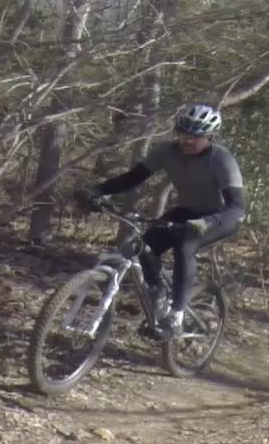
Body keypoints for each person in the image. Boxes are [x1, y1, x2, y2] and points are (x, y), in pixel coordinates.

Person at [80, 104, 244, 339]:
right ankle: (158, 294)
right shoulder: (167, 151)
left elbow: (237, 207)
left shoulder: (221, 159)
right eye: (184, 134)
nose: (188, 140)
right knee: (144, 248)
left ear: (209, 136)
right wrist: (97, 190)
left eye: (195, 136)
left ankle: (176, 317)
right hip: (186, 211)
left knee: (184, 247)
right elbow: (133, 178)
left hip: (220, 217)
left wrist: (207, 222)